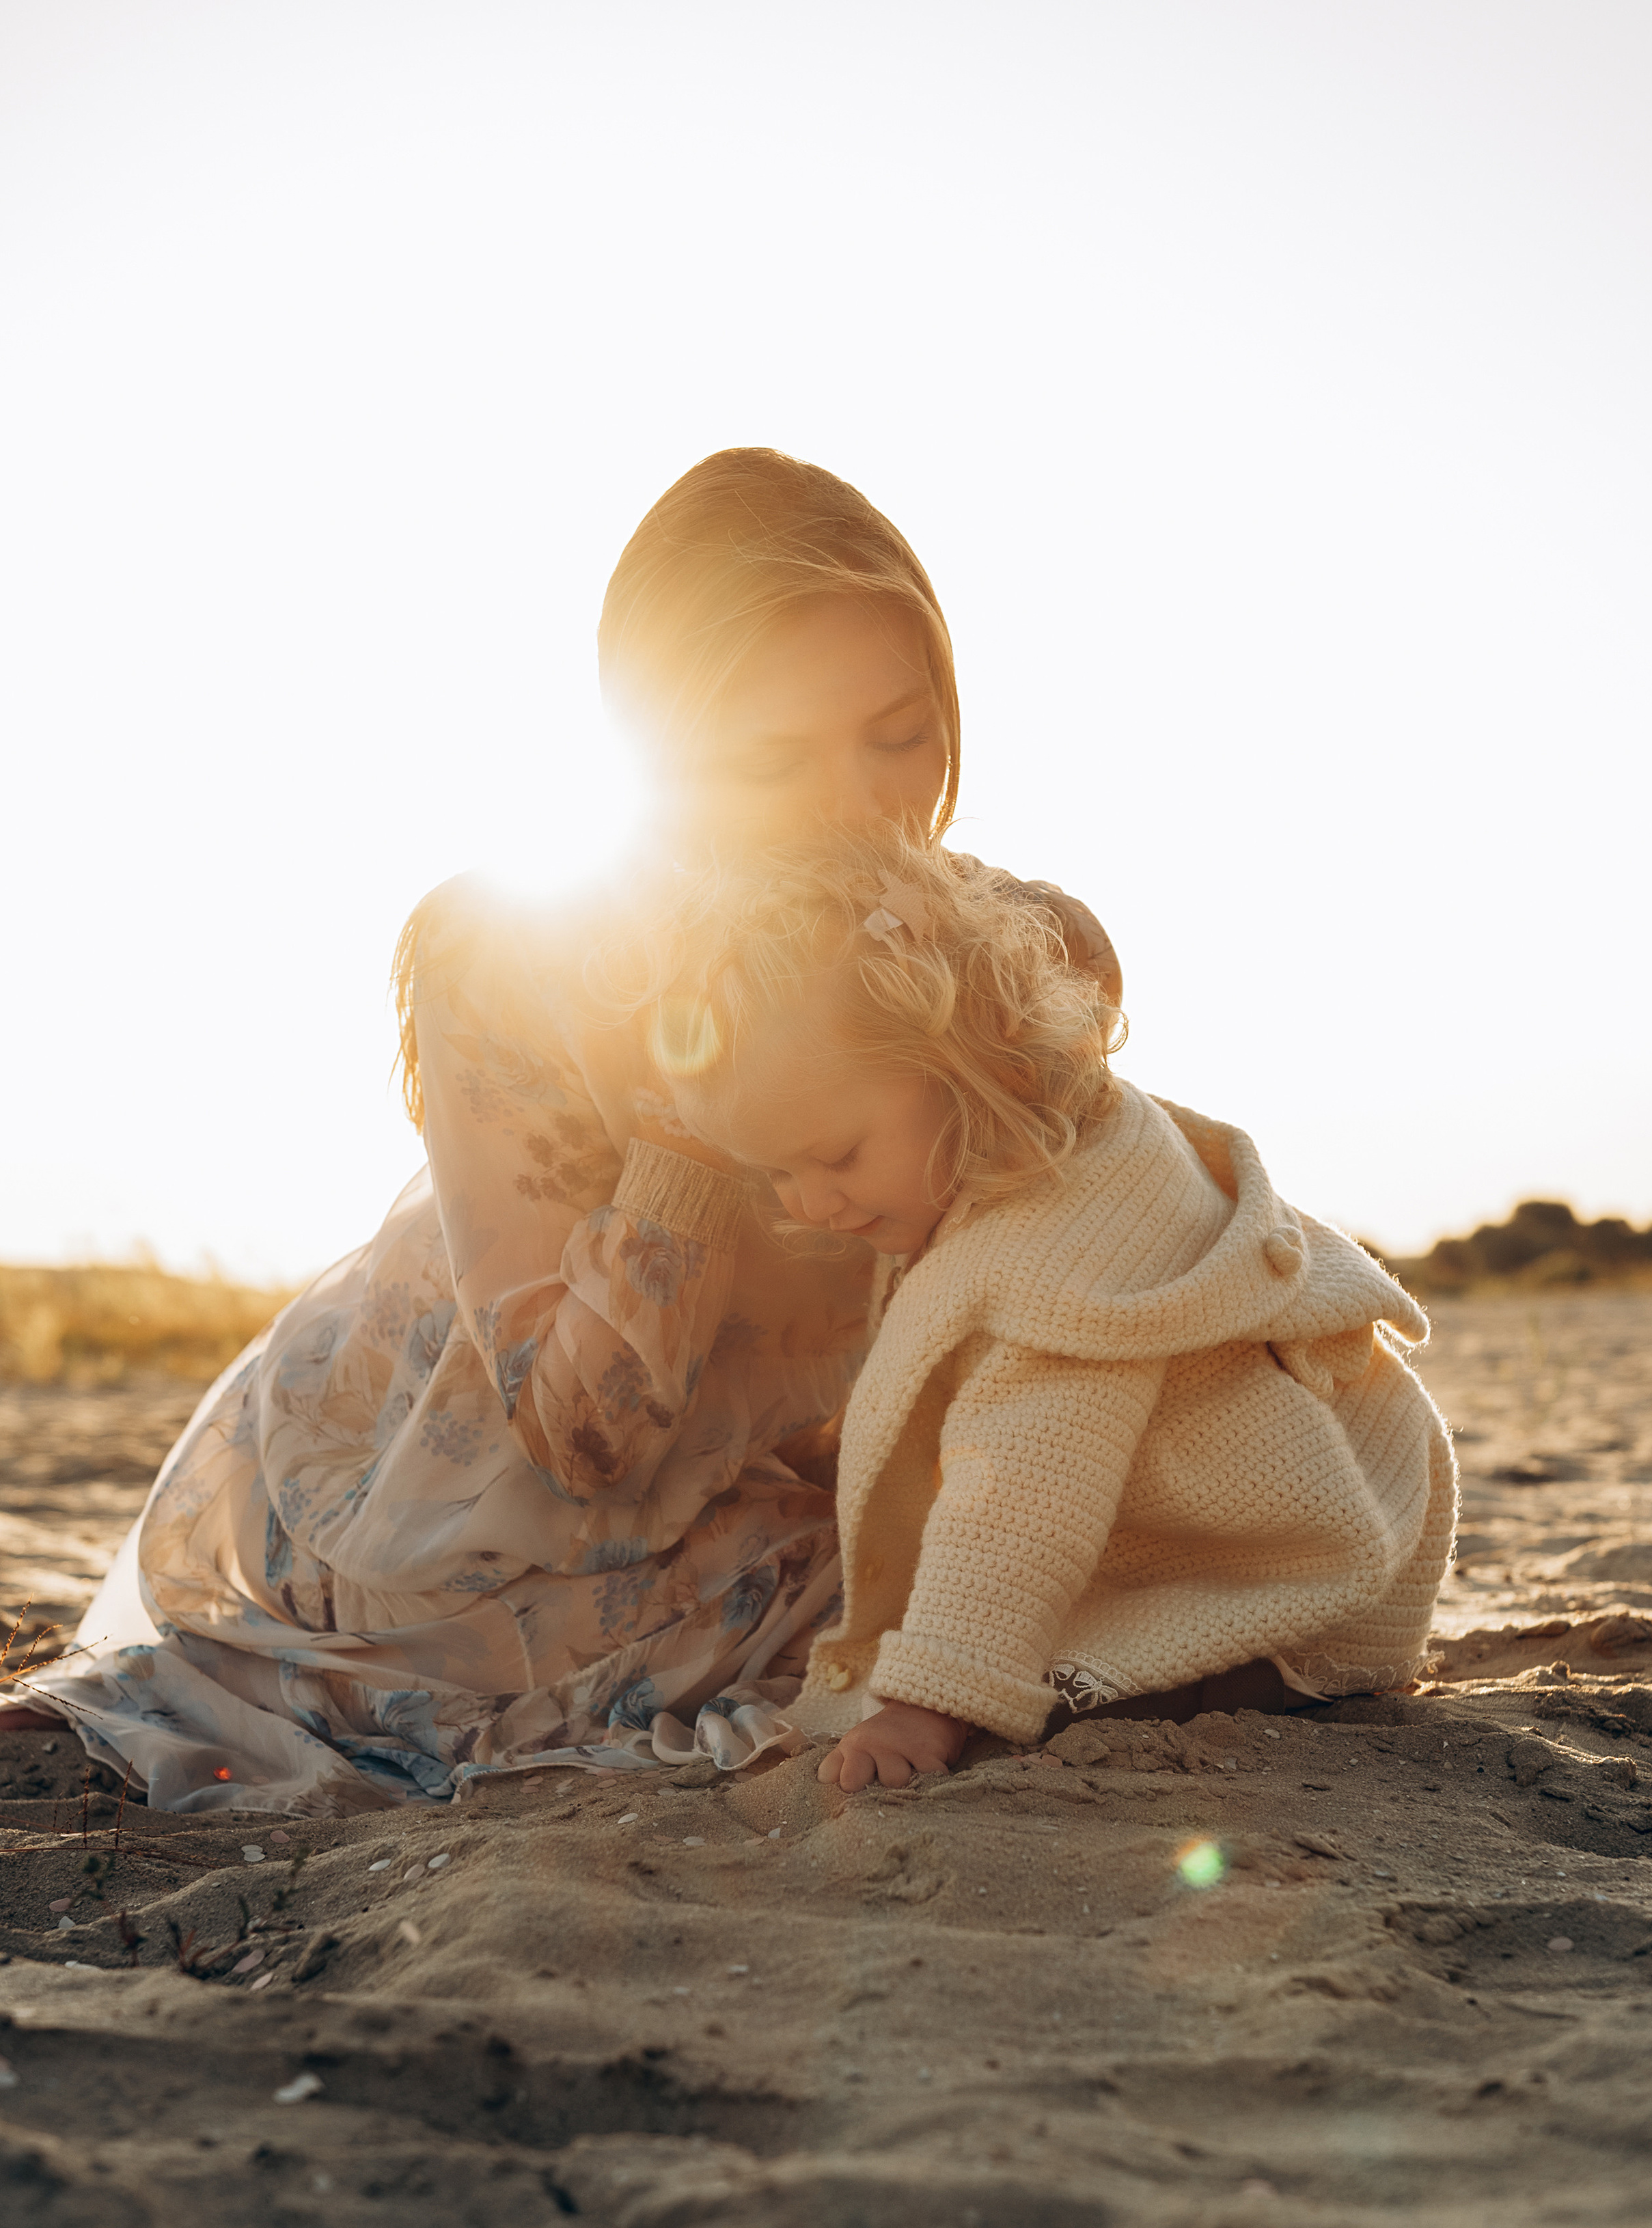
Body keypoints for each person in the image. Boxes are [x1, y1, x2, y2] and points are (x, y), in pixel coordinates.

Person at [27, 450, 1118, 1814]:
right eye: (771, 759)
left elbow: (1074, 1264)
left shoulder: (992, 944)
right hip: (483, 1500)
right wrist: (714, 1106)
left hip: (798, 1495)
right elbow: (585, 1441)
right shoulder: (518, 950)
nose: (857, 807)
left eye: (899, 736)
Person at [635, 828, 1458, 1795]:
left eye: (836, 1154)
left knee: (1032, 1700)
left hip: (1293, 1586)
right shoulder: (1045, 1147)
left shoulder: (1063, 1254)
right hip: (1306, 1523)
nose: (809, 1202)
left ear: (962, 1060)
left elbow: (1021, 1498)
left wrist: (927, 1707)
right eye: (777, 1172)